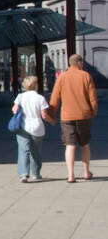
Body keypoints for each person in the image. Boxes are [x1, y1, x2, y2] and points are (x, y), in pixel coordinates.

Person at [49, 54, 98, 183]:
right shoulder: (86, 76)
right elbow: (93, 98)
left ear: (70, 64)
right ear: (80, 63)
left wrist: (51, 114)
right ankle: (87, 172)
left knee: (70, 145)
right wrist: (93, 112)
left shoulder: (62, 77)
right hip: (84, 115)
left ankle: (71, 175)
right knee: (85, 144)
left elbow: (54, 98)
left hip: (67, 116)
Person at [11, 76, 52, 182]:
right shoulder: (40, 98)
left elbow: (14, 110)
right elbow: (44, 116)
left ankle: (23, 174)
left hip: (23, 127)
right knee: (36, 152)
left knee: (23, 150)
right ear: (35, 85)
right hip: (37, 128)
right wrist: (52, 121)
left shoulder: (20, 97)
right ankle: (36, 173)